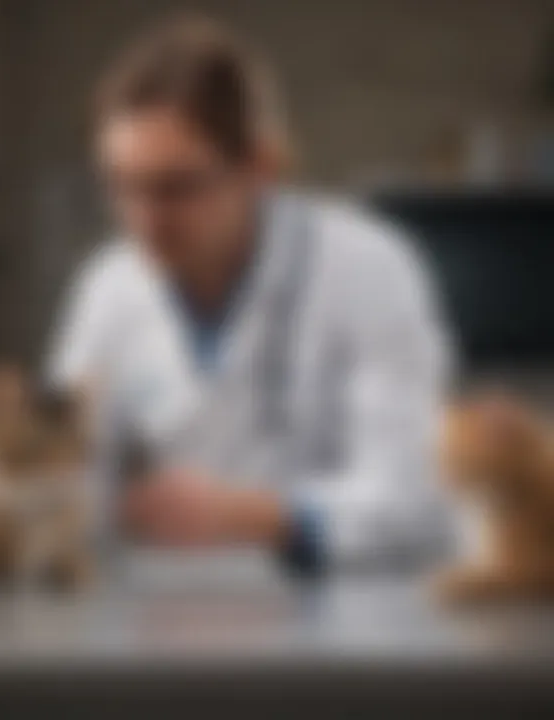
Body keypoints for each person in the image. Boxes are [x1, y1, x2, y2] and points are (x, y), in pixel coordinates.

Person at [47, 17, 450, 575]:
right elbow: (67, 478)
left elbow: (414, 500)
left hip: (347, 626)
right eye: (124, 187)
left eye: (175, 188)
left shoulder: (368, 267)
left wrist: (258, 516)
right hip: (168, 623)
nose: (145, 219)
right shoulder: (106, 290)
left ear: (259, 166)